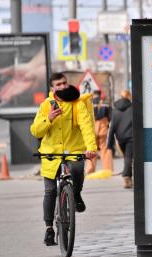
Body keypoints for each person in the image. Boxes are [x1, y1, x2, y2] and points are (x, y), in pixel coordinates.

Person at [30, 72, 97, 246]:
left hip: (73, 149)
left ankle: (76, 194)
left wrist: (91, 148)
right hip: (50, 153)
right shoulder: (46, 105)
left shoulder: (77, 104)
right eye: (58, 85)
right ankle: (49, 229)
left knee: (77, 169)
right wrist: (48, 119)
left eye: (64, 83)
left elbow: (86, 127)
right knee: (50, 190)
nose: (62, 87)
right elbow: (36, 131)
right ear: (52, 88)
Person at [107, 89, 134, 189]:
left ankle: (129, 177)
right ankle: (127, 177)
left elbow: (112, 127)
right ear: (129, 96)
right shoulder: (133, 108)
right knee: (129, 158)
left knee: (128, 158)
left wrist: (110, 143)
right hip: (132, 137)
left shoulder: (115, 110)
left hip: (121, 138)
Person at [85, 90, 112, 174]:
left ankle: (90, 169)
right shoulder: (106, 103)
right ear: (100, 95)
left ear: (93, 95)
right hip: (103, 129)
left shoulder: (89, 103)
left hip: (92, 129)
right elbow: (111, 117)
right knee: (105, 149)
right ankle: (107, 169)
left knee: (91, 149)